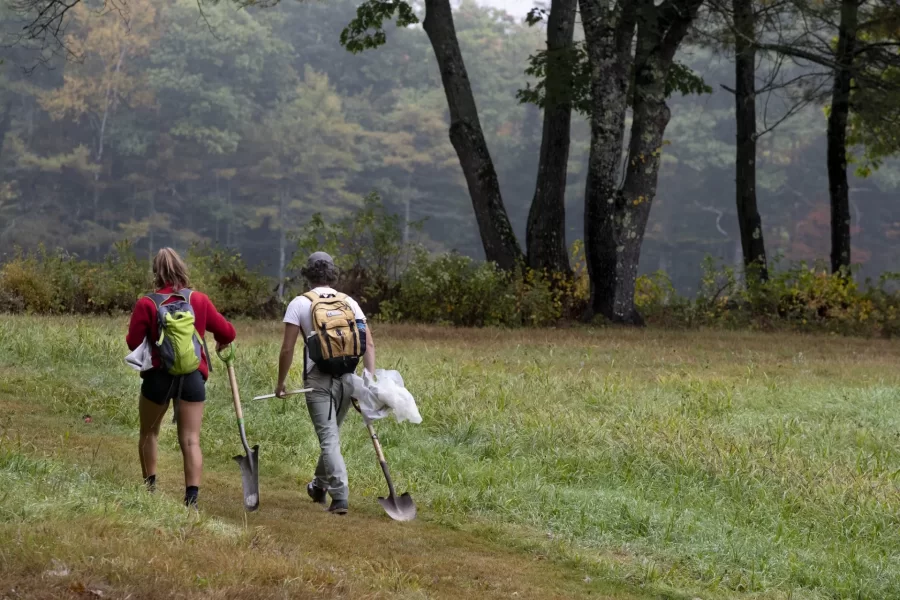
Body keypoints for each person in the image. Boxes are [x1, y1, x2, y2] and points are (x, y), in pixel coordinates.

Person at [126, 247, 236, 508]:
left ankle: (150, 490)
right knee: (190, 439)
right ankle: (191, 500)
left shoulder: (147, 303)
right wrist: (220, 342)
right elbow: (228, 332)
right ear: (182, 269)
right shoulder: (198, 300)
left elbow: (132, 343)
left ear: (156, 272)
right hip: (192, 377)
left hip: (157, 378)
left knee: (149, 433)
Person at [276, 251, 375, 515]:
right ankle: (318, 486)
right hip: (347, 378)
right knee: (330, 436)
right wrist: (368, 381)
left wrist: (281, 383)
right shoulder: (349, 302)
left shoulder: (299, 303)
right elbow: (369, 343)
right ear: (333, 273)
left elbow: (287, 350)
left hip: (317, 380)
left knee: (328, 438)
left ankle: (340, 497)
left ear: (307, 274)